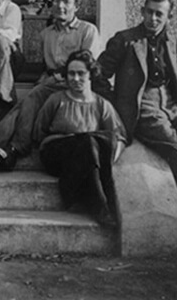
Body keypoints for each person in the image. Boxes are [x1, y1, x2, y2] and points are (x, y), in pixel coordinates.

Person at [0, 0, 101, 172]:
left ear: (76, 7)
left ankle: (10, 148)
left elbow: (87, 63)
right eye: (56, 0)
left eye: (66, 1)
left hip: (74, 83)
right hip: (50, 82)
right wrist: (44, 80)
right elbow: (45, 66)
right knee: (22, 106)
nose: (60, 5)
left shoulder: (87, 30)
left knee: (31, 99)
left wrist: (57, 77)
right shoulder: (46, 33)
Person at [97, 0, 177, 174]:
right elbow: (98, 74)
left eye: (159, 14)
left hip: (172, 104)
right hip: (143, 105)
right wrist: (117, 103)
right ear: (142, 11)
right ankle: (176, 200)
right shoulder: (125, 40)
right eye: (149, 12)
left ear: (169, 17)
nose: (153, 18)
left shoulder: (173, 42)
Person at [35, 50, 128, 227]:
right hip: (55, 154)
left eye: (81, 73)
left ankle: (82, 197)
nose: (75, 78)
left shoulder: (102, 105)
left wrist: (108, 156)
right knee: (87, 142)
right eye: (71, 73)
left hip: (87, 157)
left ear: (91, 75)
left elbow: (119, 136)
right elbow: (39, 131)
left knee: (94, 142)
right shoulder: (56, 100)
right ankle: (101, 207)